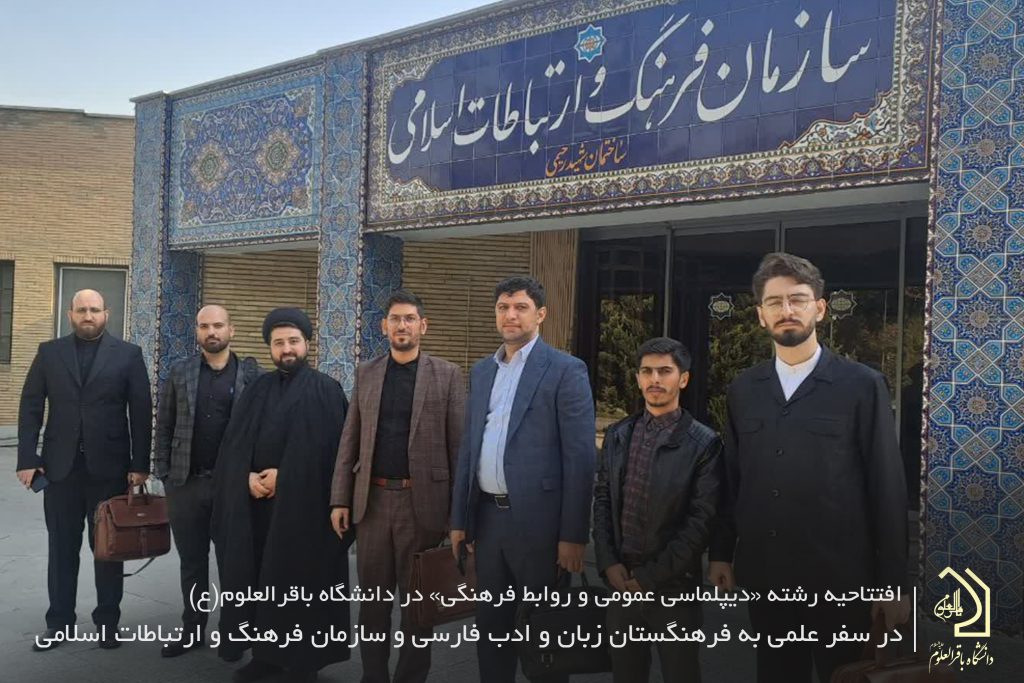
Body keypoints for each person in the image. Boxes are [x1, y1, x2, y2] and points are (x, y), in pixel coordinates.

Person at [708, 253, 910, 683]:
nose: (787, 310)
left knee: (845, 676)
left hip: (842, 581)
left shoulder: (862, 385)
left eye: (797, 299)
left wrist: (893, 584)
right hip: (768, 577)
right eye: (774, 302)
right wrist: (722, 553)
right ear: (761, 315)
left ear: (819, 308)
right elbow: (734, 478)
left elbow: (887, 488)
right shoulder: (744, 389)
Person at [450, 275, 596, 683]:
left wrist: (573, 535)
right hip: (489, 522)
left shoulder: (566, 370)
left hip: (541, 526)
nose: (510, 315)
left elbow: (580, 458)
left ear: (541, 314)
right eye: (503, 307)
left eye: (520, 307)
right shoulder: (483, 371)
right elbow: (469, 449)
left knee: (544, 635)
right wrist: (460, 520)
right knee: (492, 629)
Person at [330, 290, 465, 683]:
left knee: (417, 606)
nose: (401, 325)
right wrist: (339, 499)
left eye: (409, 318)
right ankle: (373, 676)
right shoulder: (367, 373)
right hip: (371, 502)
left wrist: (458, 516)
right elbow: (349, 439)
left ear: (423, 325)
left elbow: (460, 448)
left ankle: (411, 677)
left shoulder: (447, 374)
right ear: (383, 326)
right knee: (372, 604)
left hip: (423, 505)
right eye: (395, 319)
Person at [212, 308, 353, 683]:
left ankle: (304, 662)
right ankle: (266, 657)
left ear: (307, 343)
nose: (286, 349)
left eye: (293, 341)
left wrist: (285, 477)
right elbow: (233, 447)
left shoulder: (326, 390)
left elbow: (334, 458)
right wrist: (245, 477)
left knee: (302, 586)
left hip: (305, 515)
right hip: (257, 512)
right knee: (260, 583)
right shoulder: (257, 389)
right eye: (279, 343)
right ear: (270, 347)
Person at [16, 288, 152, 650]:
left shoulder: (128, 355)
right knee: (61, 549)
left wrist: (140, 465)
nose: (88, 316)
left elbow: (140, 412)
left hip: (109, 471)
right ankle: (59, 623)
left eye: (94, 309)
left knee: (108, 548)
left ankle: (108, 622)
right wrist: (27, 458)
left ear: (106, 313)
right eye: (81, 310)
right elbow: (31, 405)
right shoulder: (49, 353)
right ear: (70, 314)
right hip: (59, 470)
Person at [592, 337, 720, 683]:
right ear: (637, 378)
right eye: (647, 371)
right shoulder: (619, 434)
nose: (655, 379)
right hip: (622, 582)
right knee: (626, 675)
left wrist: (648, 579)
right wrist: (608, 562)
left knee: (681, 675)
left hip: (673, 589)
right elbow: (602, 501)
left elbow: (701, 522)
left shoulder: (704, 444)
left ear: (684, 378)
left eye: (665, 371)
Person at [153, 304, 261, 658]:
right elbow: (164, 424)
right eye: (204, 326)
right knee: (192, 563)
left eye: (217, 325)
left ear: (232, 330)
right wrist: (165, 474)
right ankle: (192, 630)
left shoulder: (252, 375)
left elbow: (262, 430)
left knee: (234, 564)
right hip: (186, 484)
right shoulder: (180, 372)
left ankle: (234, 633)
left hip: (233, 487)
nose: (211, 332)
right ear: (197, 332)